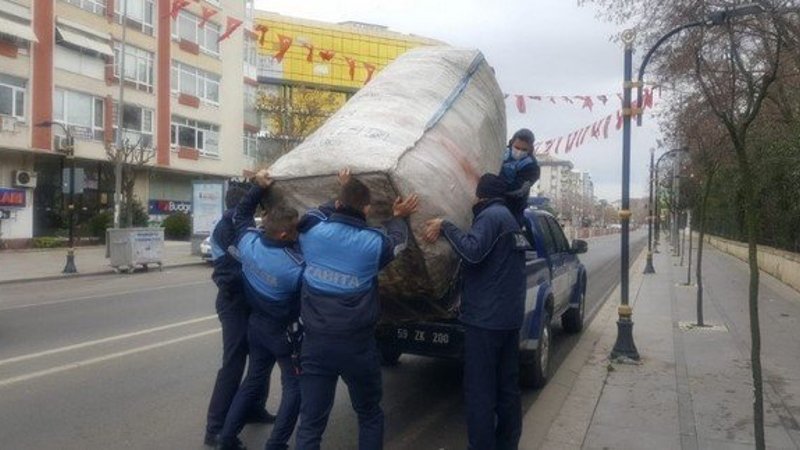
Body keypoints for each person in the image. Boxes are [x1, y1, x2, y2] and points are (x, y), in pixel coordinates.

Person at [293, 169, 419, 450]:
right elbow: (398, 241)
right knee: (369, 414)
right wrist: (398, 216)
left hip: (316, 346)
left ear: (338, 204)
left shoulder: (311, 230)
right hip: (357, 348)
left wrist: (343, 189)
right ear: (367, 209)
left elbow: (316, 212)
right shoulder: (373, 244)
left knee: (311, 423)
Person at [423, 173, 528, 450]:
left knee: (480, 391)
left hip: (486, 321)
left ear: (481, 195)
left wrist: (446, 225)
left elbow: (472, 252)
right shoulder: (511, 220)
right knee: (507, 389)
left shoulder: (491, 217)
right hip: (508, 319)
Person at [216, 169, 305, 450]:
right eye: (293, 230)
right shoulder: (294, 266)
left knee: (253, 381)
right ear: (281, 233)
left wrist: (258, 187)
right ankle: (276, 444)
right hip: (283, 335)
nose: (297, 234)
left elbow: (241, 215)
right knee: (294, 387)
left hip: (257, 327)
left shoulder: (249, 243)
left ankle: (227, 437)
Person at [205, 181, 275, 447]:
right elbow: (230, 274)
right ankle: (215, 428)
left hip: (250, 302)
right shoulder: (226, 228)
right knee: (234, 363)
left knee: (261, 358)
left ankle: (254, 408)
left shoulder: (243, 228)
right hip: (234, 303)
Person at [500, 128, 541, 225]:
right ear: (511, 143)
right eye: (517, 147)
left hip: (513, 210)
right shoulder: (501, 152)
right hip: (490, 205)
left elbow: (518, 189)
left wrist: (495, 187)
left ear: (530, 149)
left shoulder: (532, 166)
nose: (519, 152)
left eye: (524, 149)